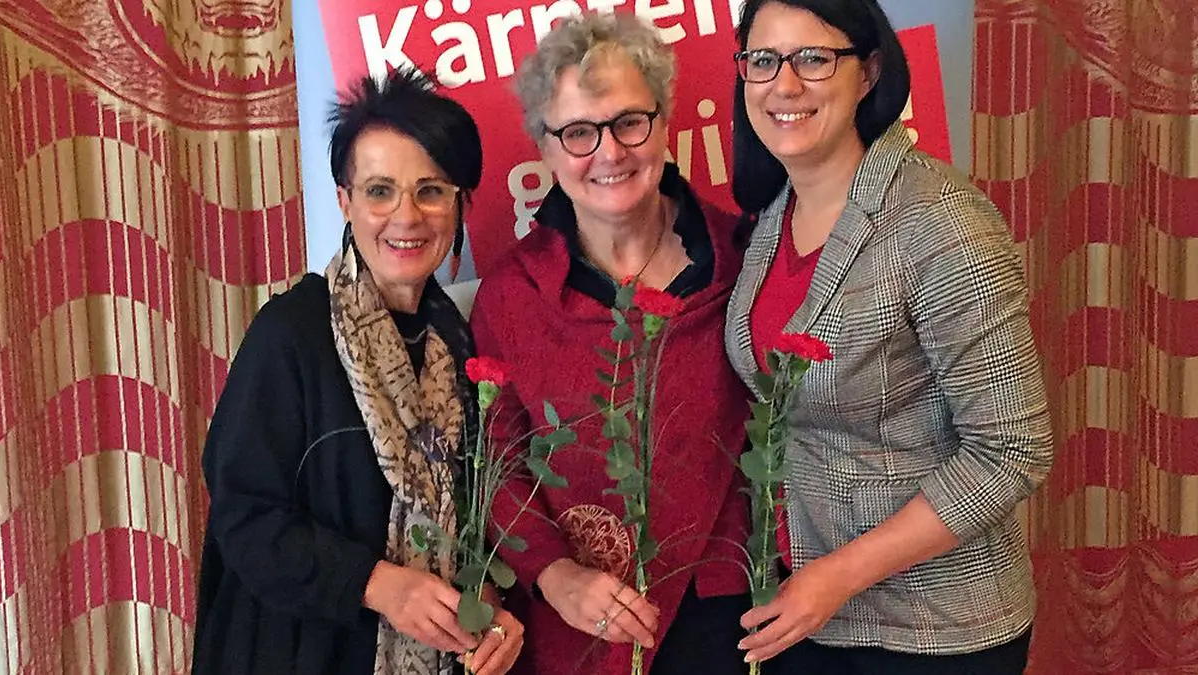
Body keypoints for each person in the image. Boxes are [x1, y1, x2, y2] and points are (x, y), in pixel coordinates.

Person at [724, 0, 1054, 673]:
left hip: (935, 628)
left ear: (869, 71)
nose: (785, 84)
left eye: (813, 58)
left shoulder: (938, 219)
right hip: (808, 610)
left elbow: (1012, 451)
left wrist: (837, 575)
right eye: (763, 60)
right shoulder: (773, 213)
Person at [191, 67, 523, 675]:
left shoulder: (458, 342)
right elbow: (244, 518)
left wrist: (488, 609)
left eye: (430, 190)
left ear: (459, 205)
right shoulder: (292, 334)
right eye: (379, 191)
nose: (406, 216)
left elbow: (472, 524)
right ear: (345, 200)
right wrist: (376, 583)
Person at [469, 12, 754, 675]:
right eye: (578, 132)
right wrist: (553, 573)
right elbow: (495, 460)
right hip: (577, 624)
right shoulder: (512, 294)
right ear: (545, 149)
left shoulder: (744, 258)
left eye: (629, 121)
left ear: (664, 121)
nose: (609, 152)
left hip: (726, 618)